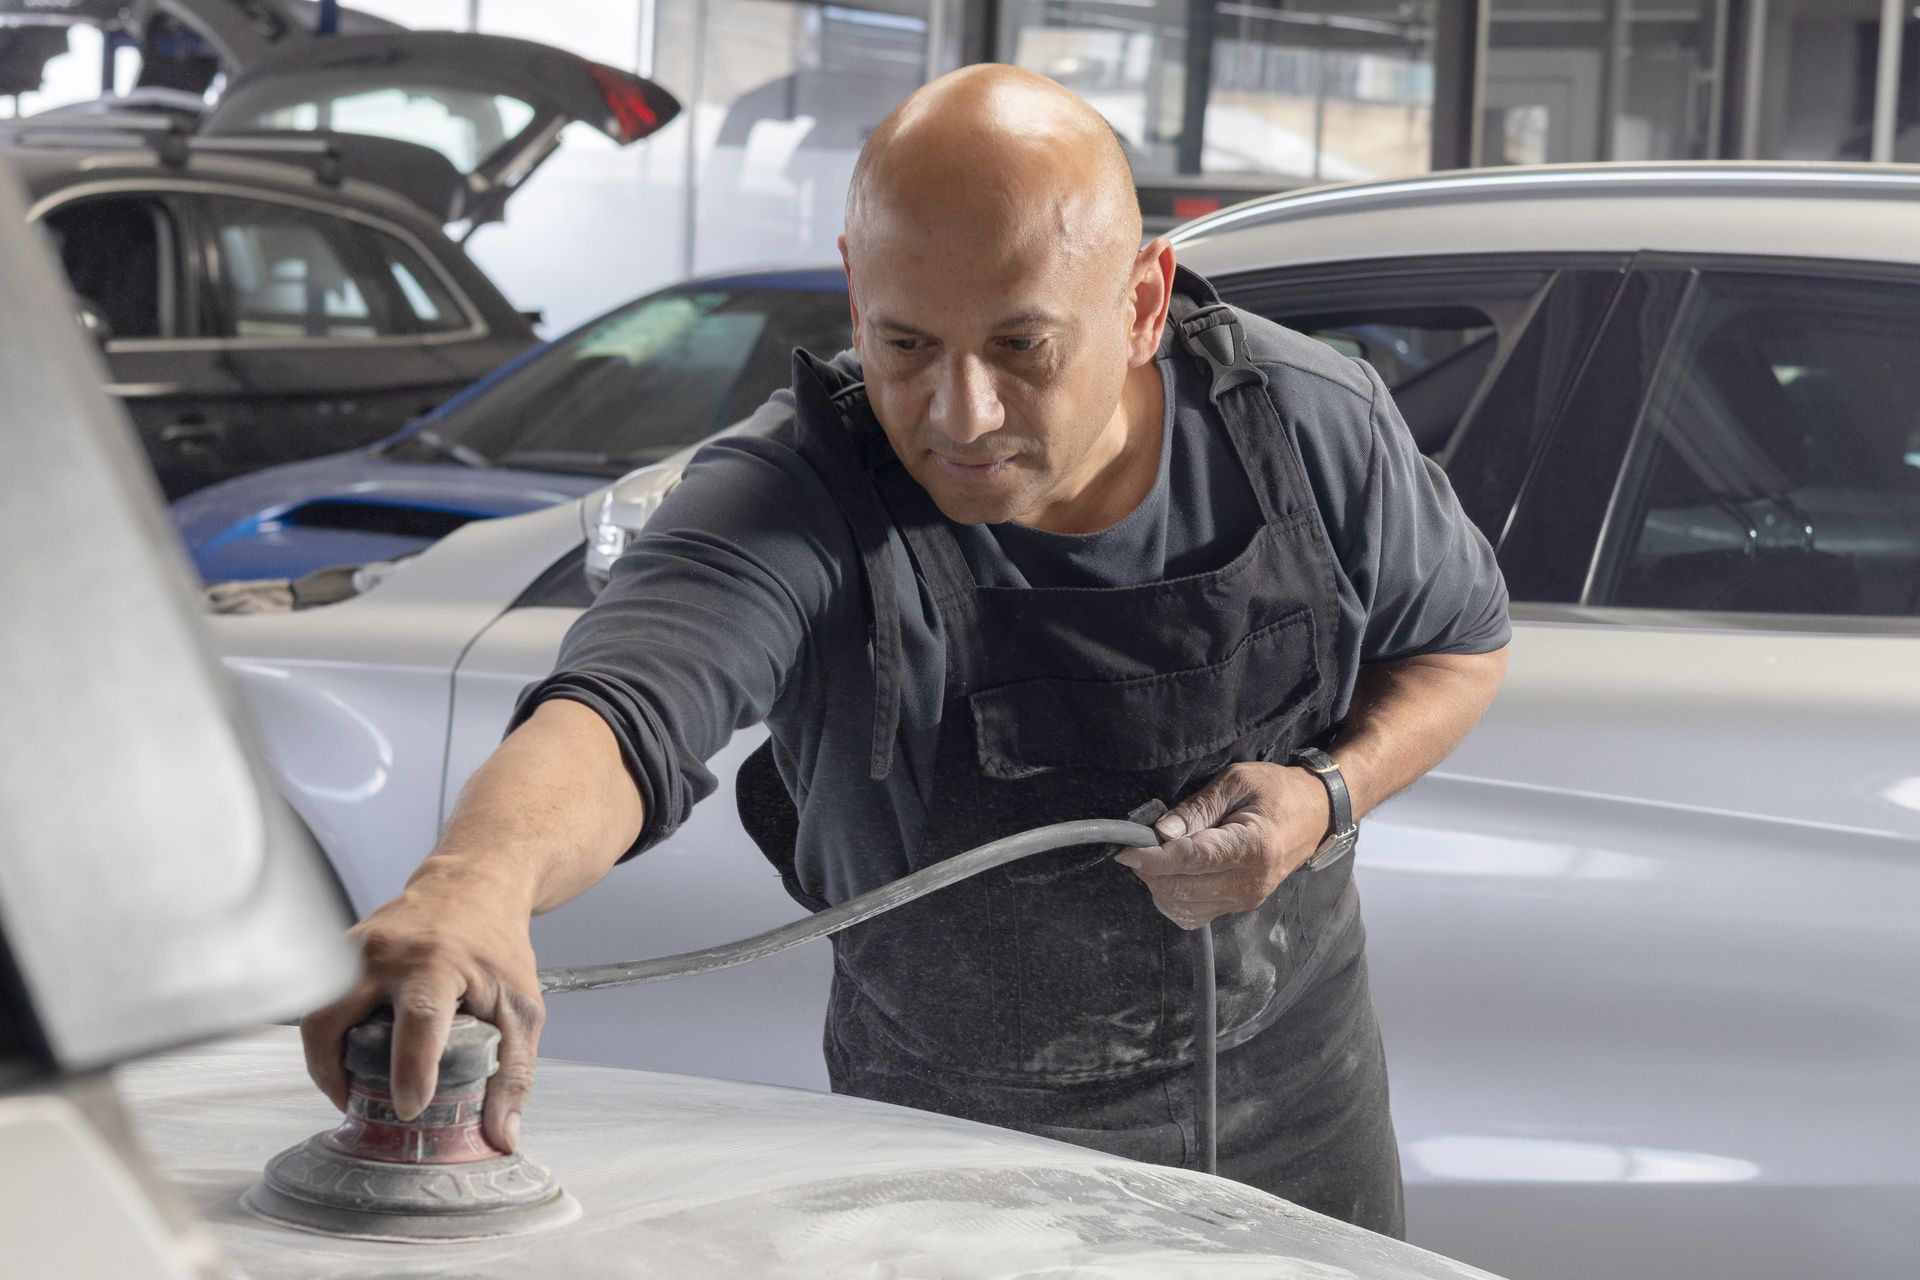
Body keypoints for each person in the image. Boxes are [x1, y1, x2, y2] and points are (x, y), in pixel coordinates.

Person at [300, 65, 1510, 1237]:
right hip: (947, 1153)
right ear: (853, 289)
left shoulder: (1309, 427)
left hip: (1295, 1115)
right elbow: (628, 701)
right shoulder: (799, 489)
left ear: (1143, 303)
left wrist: (1325, 791)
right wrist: (472, 884)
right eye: (907, 345)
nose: (959, 416)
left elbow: (1460, 645)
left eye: (1023, 347)